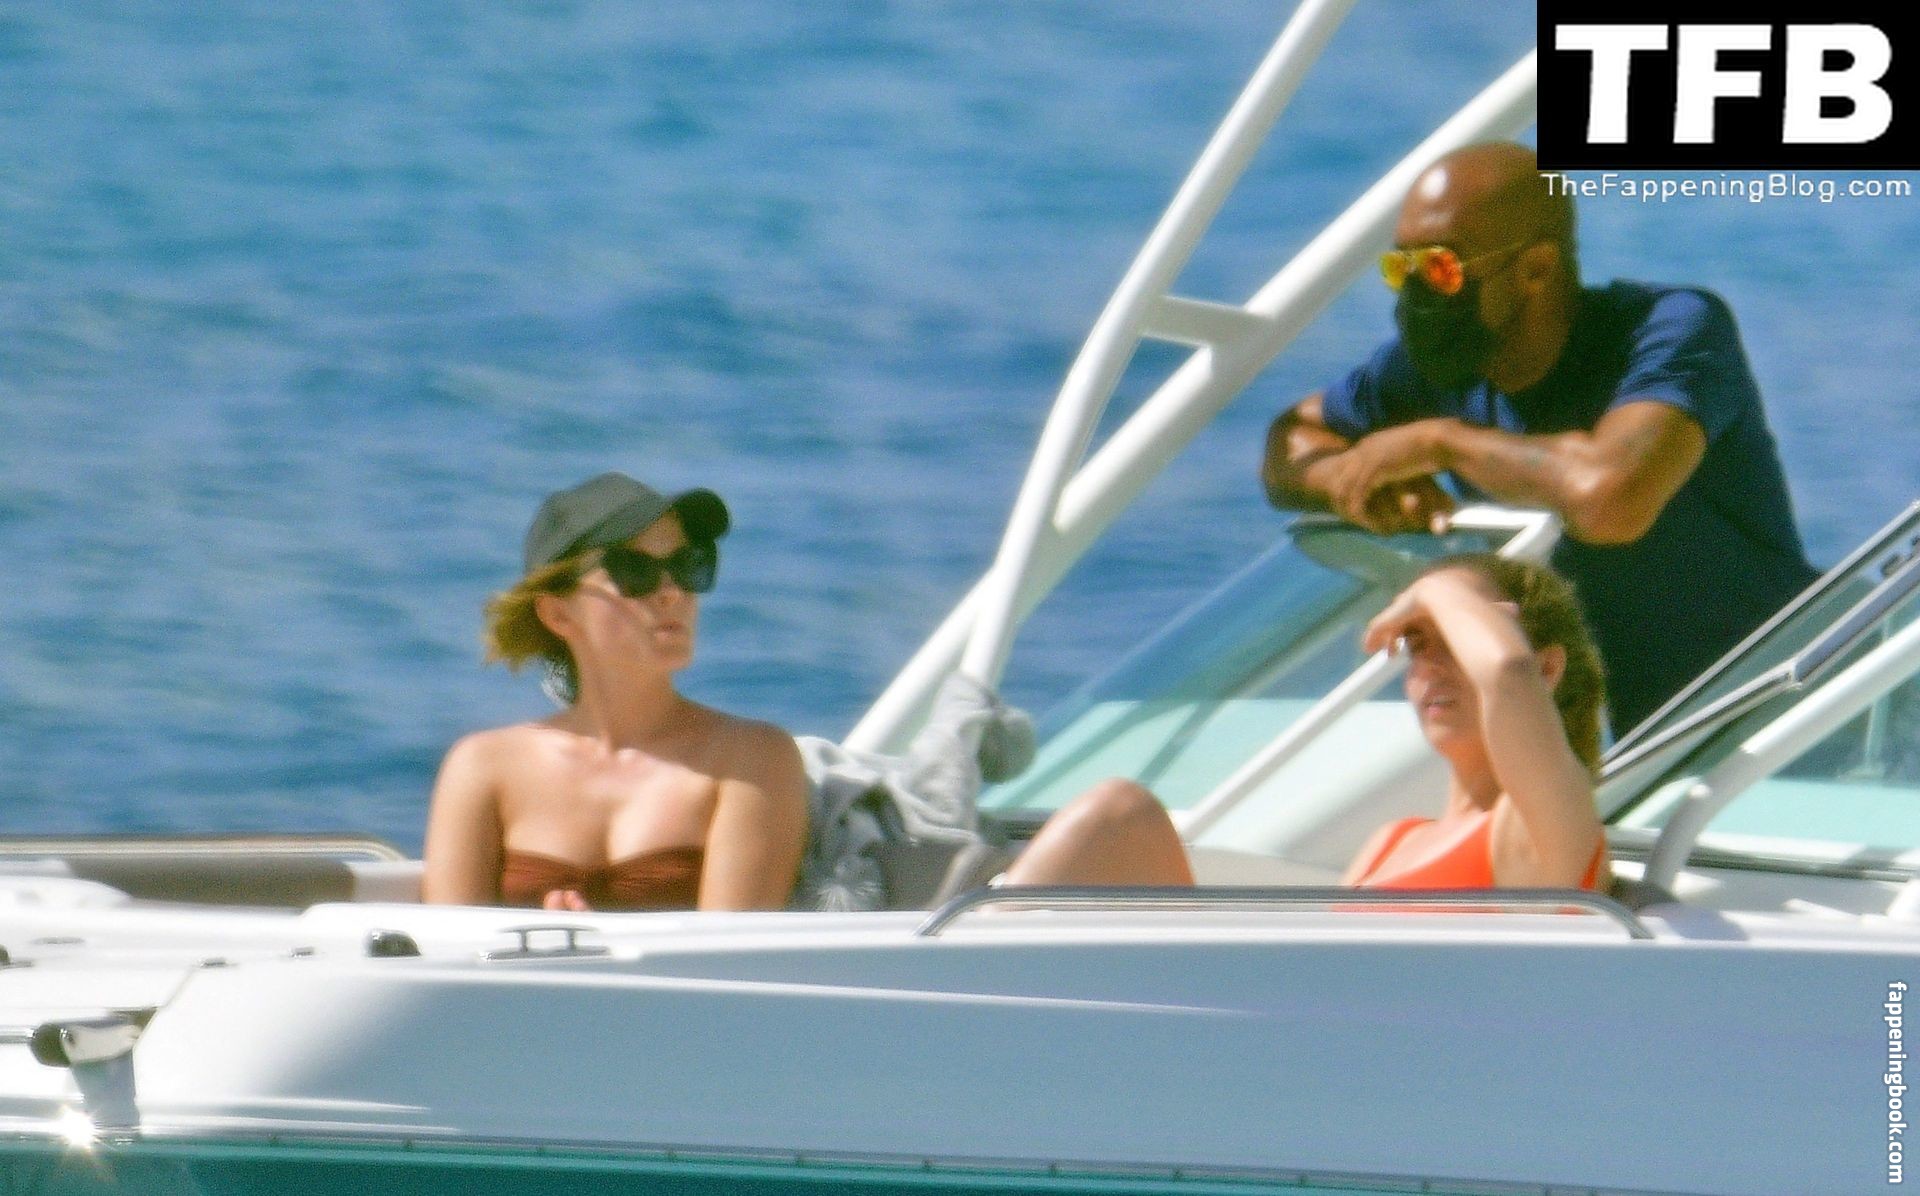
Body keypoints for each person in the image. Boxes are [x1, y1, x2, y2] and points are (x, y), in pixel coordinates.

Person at [1261, 141, 1819, 735]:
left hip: (1796, 705)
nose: (1416, 298)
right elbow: (1291, 439)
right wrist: (1360, 483)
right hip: (1644, 741)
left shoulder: (1669, 331)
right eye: (1402, 269)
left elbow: (1611, 499)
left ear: (1536, 268)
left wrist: (1438, 444)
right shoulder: (1433, 367)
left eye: (1441, 269)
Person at [1003, 553, 1609, 892]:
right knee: (1118, 823)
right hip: (1311, 1044)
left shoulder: (1545, 830)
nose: (1430, 664)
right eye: (1417, 644)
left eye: (1453, 638)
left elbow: (1505, 671)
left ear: (1548, 669)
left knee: (1116, 814)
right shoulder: (1392, 841)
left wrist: (1435, 588)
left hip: (1373, 1066)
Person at [422, 472, 808, 911]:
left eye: (687, 565)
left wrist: (586, 942)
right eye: (634, 571)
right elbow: (449, 944)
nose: (672, 592)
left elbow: (735, 950)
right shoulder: (482, 768)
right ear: (558, 614)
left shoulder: (752, 760)